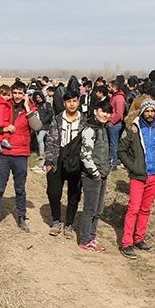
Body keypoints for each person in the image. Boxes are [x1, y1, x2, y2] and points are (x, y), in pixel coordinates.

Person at [0, 81, 40, 232]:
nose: (17, 96)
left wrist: (28, 107)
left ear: (25, 94)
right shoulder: (3, 105)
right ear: (11, 93)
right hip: (3, 153)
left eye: (20, 93)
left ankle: (22, 218)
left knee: (20, 188)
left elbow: (37, 126)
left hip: (21, 154)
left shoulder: (31, 109)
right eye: (15, 93)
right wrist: (3, 128)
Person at [119, 99, 155, 259]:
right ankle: (127, 243)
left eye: (152, 111)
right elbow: (122, 150)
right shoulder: (133, 128)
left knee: (146, 209)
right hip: (139, 175)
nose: (150, 114)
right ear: (141, 112)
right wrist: (133, 167)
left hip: (154, 175)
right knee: (133, 209)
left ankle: (139, 238)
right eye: (147, 111)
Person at [44, 91, 85, 238]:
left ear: (78, 102)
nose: (72, 104)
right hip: (58, 160)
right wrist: (49, 162)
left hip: (76, 162)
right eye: (69, 102)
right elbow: (50, 141)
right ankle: (56, 221)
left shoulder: (84, 121)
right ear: (64, 104)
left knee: (74, 195)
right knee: (53, 192)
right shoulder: (57, 119)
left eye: (74, 101)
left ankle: (69, 224)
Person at [78, 100, 112, 252]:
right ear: (95, 111)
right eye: (103, 111)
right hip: (92, 176)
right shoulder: (90, 130)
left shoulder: (103, 128)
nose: (106, 114)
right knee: (90, 209)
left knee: (98, 210)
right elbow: (85, 155)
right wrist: (95, 173)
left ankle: (92, 235)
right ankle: (85, 240)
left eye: (108, 112)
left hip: (102, 174)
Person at [33, 90, 54, 173]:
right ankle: (42, 154)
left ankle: (42, 155)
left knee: (41, 140)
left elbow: (50, 114)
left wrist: (43, 121)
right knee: (40, 140)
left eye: (39, 97)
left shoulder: (47, 105)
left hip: (45, 126)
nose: (38, 99)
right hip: (38, 126)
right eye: (36, 97)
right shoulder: (35, 106)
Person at [108, 79, 126, 169]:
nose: (108, 88)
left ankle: (114, 162)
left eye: (109, 87)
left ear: (114, 88)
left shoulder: (119, 98)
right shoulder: (115, 96)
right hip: (113, 122)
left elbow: (119, 113)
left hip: (115, 124)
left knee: (113, 143)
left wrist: (112, 121)